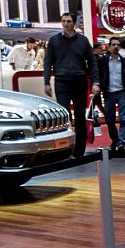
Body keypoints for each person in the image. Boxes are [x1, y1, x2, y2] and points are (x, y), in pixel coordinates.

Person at [43, 12, 100, 157]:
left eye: (68, 21)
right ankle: (65, 148)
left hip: (79, 81)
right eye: (63, 21)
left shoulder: (83, 41)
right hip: (61, 82)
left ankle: (79, 151)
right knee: (64, 116)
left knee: (80, 117)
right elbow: (47, 62)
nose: (65, 24)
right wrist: (46, 82)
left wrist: (96, 82)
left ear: (74, 23)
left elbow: (92, 62)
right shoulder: (54, 40)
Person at [95, 36, 125, 151]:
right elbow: (97, 74)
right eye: (113, 45)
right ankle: (115, 139)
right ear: (109, 46)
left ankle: (121, 143)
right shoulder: (102, 61)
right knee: (109, 119)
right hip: (109, 93)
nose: (116, 47)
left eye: (118, 45)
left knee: (123, 119)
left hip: (123, 92)